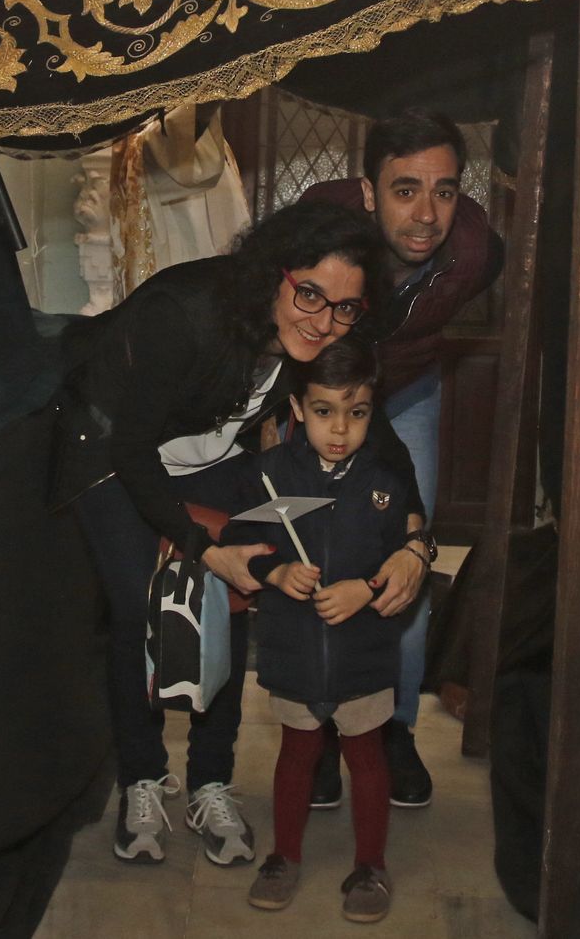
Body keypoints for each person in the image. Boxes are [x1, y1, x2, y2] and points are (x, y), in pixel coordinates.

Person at [51, 201, 432, 867]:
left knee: (232, 601)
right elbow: (134, 448)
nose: (322, 321)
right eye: (310, 294)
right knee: (141, 603)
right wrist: (202, 547)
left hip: (211, 454)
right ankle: (142, 776)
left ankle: (209, 783)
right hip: (111, 448)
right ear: (275, 275)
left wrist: (415, 539)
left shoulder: (330, 330)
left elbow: (385, 442)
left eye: (345, 307)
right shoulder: (186, 313)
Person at [301, 108, 504, 807]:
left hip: (409, 393)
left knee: (407, 554)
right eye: (406, 189)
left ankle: (393, 729)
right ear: (367, 191)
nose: (427, 214)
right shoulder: (320, 221)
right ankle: (322, 731)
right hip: (323, 397)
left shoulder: (476, 253)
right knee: (322, 557)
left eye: (445, 191)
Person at [226, 337, 409, 923]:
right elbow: (239, 550)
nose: (339, 429)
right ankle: (284, 856)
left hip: (363, 653)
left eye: (356, 414)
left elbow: (403, 559)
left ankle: (371, 866)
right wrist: (276, 571)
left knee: (368, 758)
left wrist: (368, 589)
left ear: (371, 412)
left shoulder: (385, 483)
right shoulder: (268, 476)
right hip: (296, 650)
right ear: (298, 409)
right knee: (296, 754)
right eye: (324, 411)